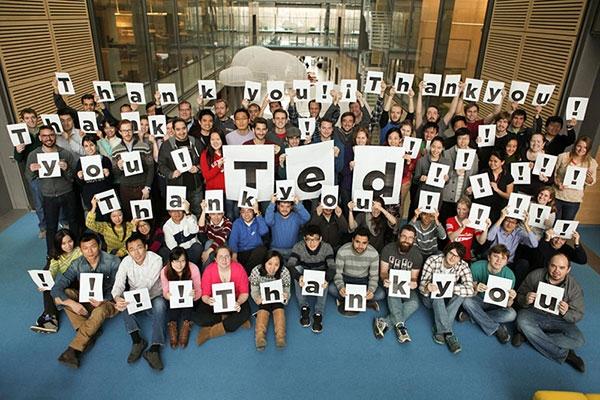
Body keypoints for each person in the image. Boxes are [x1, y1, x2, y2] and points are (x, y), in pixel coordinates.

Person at [51, 232, 120, 368]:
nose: (90, 251)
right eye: (85, 248)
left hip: (108, 301)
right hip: (86, 299)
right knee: (66, 293)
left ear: (99, 245)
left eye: (93, 246)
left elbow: (119, 288)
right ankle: (90, 330)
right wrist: (71, 303)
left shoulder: (113, 261)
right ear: (80, 249)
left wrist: (103, 300)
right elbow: (56, 288)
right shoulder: (77, 263)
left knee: (99, 311)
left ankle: (73, 350)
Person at [513, 254, 586, 373]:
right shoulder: (536, 275)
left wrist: (566, 312)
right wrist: (526, 299)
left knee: (578, 339)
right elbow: (519, 296)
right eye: (553, 266)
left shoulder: (574, 287)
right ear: (548, 265)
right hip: (534, 314)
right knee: (521, 320)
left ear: (568, 269)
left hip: (558, 319)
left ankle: (528, 336)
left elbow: (578, 314)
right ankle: (565, 354)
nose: (557, 271)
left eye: (562, 268)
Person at [112, 233, 166, 370]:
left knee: (160, 305)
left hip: (153, 296)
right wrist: (117, 297)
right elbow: (119, 282)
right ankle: (137, 340)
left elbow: (147, 284)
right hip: (136, 298)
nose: (136, 253)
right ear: (128, 251)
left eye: (139, 247)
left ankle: (154, 348)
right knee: (122, 298)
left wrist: (130, 297)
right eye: (132, 249)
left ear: (146, 247)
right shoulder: (125, 261)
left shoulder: (156, 259)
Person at [26, 125, 79, 255]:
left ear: (55, 136)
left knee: (73, 223)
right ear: (40, 138)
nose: (48, 138)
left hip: (67, 193)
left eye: (51, 135)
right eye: (44, 136)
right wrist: (31, 170)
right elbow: (28, 176)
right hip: (49, 196)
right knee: (51, 227)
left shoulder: (65, 153)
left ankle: (78, 250)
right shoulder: (34, 155)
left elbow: (73, 177)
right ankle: (51, 254)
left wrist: (67, 168)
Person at [419, 242, 474, 354]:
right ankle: (449, 333)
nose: (453, 258)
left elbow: (470, 290)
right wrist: (427, 287)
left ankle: (440, 329)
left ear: (460, 259)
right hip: (429, 297)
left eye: (457, 256)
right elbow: (421, 286)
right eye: (451, 253)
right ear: (446, 252)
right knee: (438, 294)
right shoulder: (432, 260)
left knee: (460, 294)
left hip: (447, 296)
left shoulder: (463, 266)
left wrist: (449, 288)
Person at [373, 225, 423, 343]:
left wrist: (414, 283)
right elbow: (383, 272)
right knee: (393, 291)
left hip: (405, 285)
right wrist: (385, 279)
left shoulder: (417, 255)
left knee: (415, 303)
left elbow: (414, 277)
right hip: (390, 282)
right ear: (399, 236)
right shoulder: (388, 249)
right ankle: (401, 327)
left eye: (410, 238)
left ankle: (384, 322)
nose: (406, 240)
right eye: (404, 236)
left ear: (414, 239)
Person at [194, 246, 251, 345]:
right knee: (198, 318)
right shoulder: (209, 270)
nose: (224, 260)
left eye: (227, 256)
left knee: (246, 312)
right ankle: (229, 319)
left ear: (231, 257)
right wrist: (208, 300)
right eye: (220, 257)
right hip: (215, 302)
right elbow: (205, 295)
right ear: (215, 259)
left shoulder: (239, 268)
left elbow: (244, 293)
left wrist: (238, 302)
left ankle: (211, 332)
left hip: (235, 301)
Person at [459, 244, 516, 343]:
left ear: (506, 262)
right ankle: (496, 328)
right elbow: (467, 291)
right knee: (466, 301)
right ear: (489, 257)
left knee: (512, 314)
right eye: (496, 256)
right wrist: (475, 288)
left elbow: (507, 305)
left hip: (496, 305)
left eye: (503, 258)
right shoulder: (476, 267)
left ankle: (472, 316)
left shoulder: (510, 275)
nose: (499, 261)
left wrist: (511, 298)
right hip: (478, 300)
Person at [31, 229, 81, 333]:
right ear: (58, 244)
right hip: (68, 282)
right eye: (63, 243)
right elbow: (52, 271)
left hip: (81, 280)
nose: (68, 246)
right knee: (49, 287)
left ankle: (48, 316)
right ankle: (51, 317)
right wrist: (46, 283)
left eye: (70, 241)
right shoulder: (56, 257)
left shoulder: (79, 250)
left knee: (58, 288)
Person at [287, 225, 335, 333]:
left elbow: (332, 267)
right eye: (308, 239)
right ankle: (304, 306)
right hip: (304, 272)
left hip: (320, 272)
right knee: (296, 270)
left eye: (315, 240)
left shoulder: (327, 247)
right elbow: (290, 265)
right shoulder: (298, 246)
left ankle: (319, 312)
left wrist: (326, 279)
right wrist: (299, 277)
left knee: (325, 276)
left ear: (320, 239)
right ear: (304, 239)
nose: (312, 243)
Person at [330, 227, 385, 315]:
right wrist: (341, 287)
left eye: (364, 243)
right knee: (331, 288)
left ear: (368, 243)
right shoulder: (343, 250)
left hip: (363, 280)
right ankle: (365, 302)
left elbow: (374, 276)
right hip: (346, 278)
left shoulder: (374, 254)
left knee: (380, 294)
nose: (360, 246)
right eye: (357, 242)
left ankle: (345, 300)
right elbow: (338, 273)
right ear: (352, 240)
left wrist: (371, 290)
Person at [157, 118, 204, 216]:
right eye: (178, 129)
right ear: (173, 130)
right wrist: (171, 173)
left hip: (195, 187)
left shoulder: (196, 142)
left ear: (187, 128)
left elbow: (205, 161)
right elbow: (161, 165)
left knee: (198, 213)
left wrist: (198, 168)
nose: (181, 132)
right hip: (176, 187)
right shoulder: (166, 145)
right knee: (179, 216)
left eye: (184, 128)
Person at [111, 119, 155, 220]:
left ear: (133, 130)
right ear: (120, 132)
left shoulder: (143, 146)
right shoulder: (116, 150)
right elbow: (115, 172)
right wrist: (118, 166)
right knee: (130, 216)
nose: (127, 133)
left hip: (142, 187)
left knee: (146, 217)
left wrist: (147, 187)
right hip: (126, 188)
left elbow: (151, 167)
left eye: (129, 130)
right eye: (124, 131)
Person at [161, 246, 202, 349]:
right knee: (172, 305)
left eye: (182, 261)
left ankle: (186, 324)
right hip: (173, 298)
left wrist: (194, 295)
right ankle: (172, 324)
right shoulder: (165, 271)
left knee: (188, 305)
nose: (179, 264)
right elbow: (165, 291)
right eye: (175, 261)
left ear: (187, 261)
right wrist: (168, 296)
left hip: (191, 298)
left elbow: (199, 289)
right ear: (170, 261)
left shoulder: (193, 268)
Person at [249, 251, 291, 350]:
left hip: (278, 296)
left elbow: (287, 290)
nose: (272, 268)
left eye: (276, 265)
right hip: (263, 296)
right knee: (263, 309)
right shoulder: (256, 271)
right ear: (264, 263)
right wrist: (257, 298)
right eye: (269, 264)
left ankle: (280, 337)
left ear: (280, 265)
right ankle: (259, 337)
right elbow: (254, 290)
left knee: (279, 309)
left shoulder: (284, 272)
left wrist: (286, 296)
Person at [487, 207, 539, 285]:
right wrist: (501, 218)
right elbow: (489, 237)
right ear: (503, 221)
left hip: (508, 263)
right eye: (507, 220)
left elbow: (534, 244)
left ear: (516, 225)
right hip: (494, 260)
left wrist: (526, 225)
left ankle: (515, 290)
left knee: (523, 263)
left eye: (513, 222)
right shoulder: (497, 228)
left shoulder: (518, 233)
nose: (510, 224)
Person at [553, 136, 597, 220]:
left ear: (588, 149)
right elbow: (553, 174)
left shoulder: (591, 162)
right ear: (575, 145)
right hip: (557, 195)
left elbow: (592, 181)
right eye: (579, 146)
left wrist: (588, 177)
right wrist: (558, 183)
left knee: (565, 225)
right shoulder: (563, 157)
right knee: (552, 222)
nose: (581, 149)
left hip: (574, 199)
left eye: (585, 147)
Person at [471, 150, 514, 223]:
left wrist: (497, 190)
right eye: (490, 161)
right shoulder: (484, 172)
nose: (492, 163)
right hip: (482, 207)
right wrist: (471, 189)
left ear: (502, 162)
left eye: (495, 161)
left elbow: (509, 196)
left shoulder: (508, 176)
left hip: (497, 209)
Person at [228, 201, 269, 275]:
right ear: (240, 213)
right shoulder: (237, 223)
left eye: (249, 211)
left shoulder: (258, 220)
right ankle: (248, 274)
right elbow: (233, 240)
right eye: (243, 211)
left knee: (262, 250)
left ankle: (245, 274)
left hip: (256, 253)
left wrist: (257, 212)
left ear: (253, 211)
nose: (246, 214)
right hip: (242, 253)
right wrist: (234, 254)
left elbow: (264, 231)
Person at [265, 194, 310, 259]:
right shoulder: (274, 216)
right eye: (282, 206)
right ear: (277, 206)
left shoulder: (296, 217)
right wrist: (272, 203)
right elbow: (268, 221)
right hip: (276, 250)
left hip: (293, 250)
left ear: (291, 207)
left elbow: (307, 217)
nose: (284, 209)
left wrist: (298, 203)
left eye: (288, 206)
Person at [446, 196, 490, 261]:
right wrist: (462, 227)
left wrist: (486, 228)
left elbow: (481, 241)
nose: (461, 211)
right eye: (458, 208)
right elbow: (451, 237)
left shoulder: (473, 223)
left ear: (469, 209)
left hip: (465, 257)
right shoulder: (450, 220)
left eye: (464, 209)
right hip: (451, 255)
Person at [75, 135, 113, 212]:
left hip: (105, 194)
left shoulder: (105, 159)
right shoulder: (80, 161)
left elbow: (112, 180)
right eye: (86, 146)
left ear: (96, 145)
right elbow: (79, 183)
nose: (89, 148)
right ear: (83, 148)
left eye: (91, 145)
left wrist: (108, 174)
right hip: (89, 196)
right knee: (92, 220)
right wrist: (80, 177)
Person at [162, 200, 203, 265]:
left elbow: (194, 231)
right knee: (165, 251)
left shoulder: (191, 217)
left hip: (192, 250)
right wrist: (181, 259)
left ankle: (190, 267)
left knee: (197, 247)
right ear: (169, 213)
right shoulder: (167, 226)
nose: (177, 214)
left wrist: (187, 212)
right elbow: (172, 246)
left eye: (179, 210)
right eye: (173, 211)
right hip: (179, 252)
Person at [198, 199, 232, 267]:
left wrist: (207, 252)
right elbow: (201, 229)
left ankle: (207, 270)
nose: (216, 217)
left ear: (223, 213)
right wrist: (204, 211)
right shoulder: (208, 220)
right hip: (210, 244)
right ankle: (208, 272)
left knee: (209, 243)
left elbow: (222, 238)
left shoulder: (228, 223)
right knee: (208, 243)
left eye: (219, 214)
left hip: (223, 244)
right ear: (209, 214)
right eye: (213, 214)